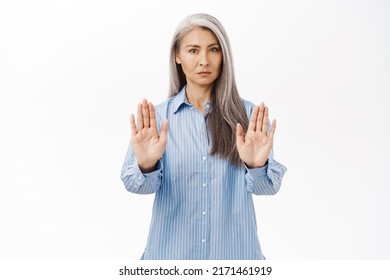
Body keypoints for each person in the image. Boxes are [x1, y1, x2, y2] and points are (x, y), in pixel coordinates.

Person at [120, 13, 287, 260]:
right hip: (170, 261)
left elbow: (267, 188)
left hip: (234, 260)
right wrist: (146, 165)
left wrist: (257, 165)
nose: (204, 61)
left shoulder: (248, 116)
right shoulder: (157, 119)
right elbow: (135, 185)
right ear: (177, 55)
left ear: (224, 56)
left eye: (213, 50)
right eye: (193, 50)